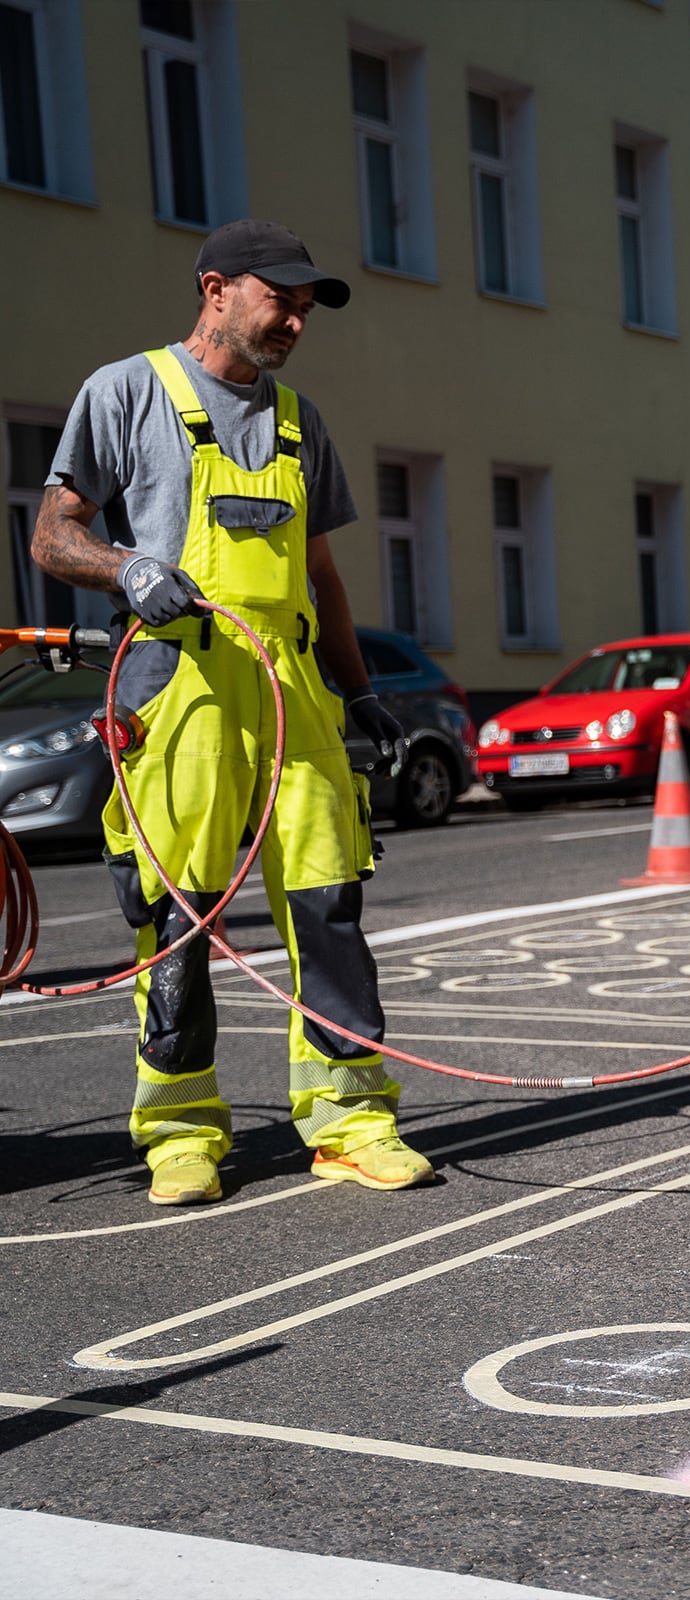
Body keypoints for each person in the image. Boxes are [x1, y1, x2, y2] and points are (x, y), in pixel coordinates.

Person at [32, 220, 433, 1206]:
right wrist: (126, 568)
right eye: (280, 300)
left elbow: (321, 574)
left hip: (292, 689)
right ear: (216, 288)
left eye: (305, 308)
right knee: (176, 912)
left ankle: (351, 1122)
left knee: (328, 901)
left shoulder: (300, 422)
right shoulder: (126, 393)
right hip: (181, 689)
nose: (295, 320)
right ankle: (180, 1132)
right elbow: (52, 535)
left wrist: (360, 689)